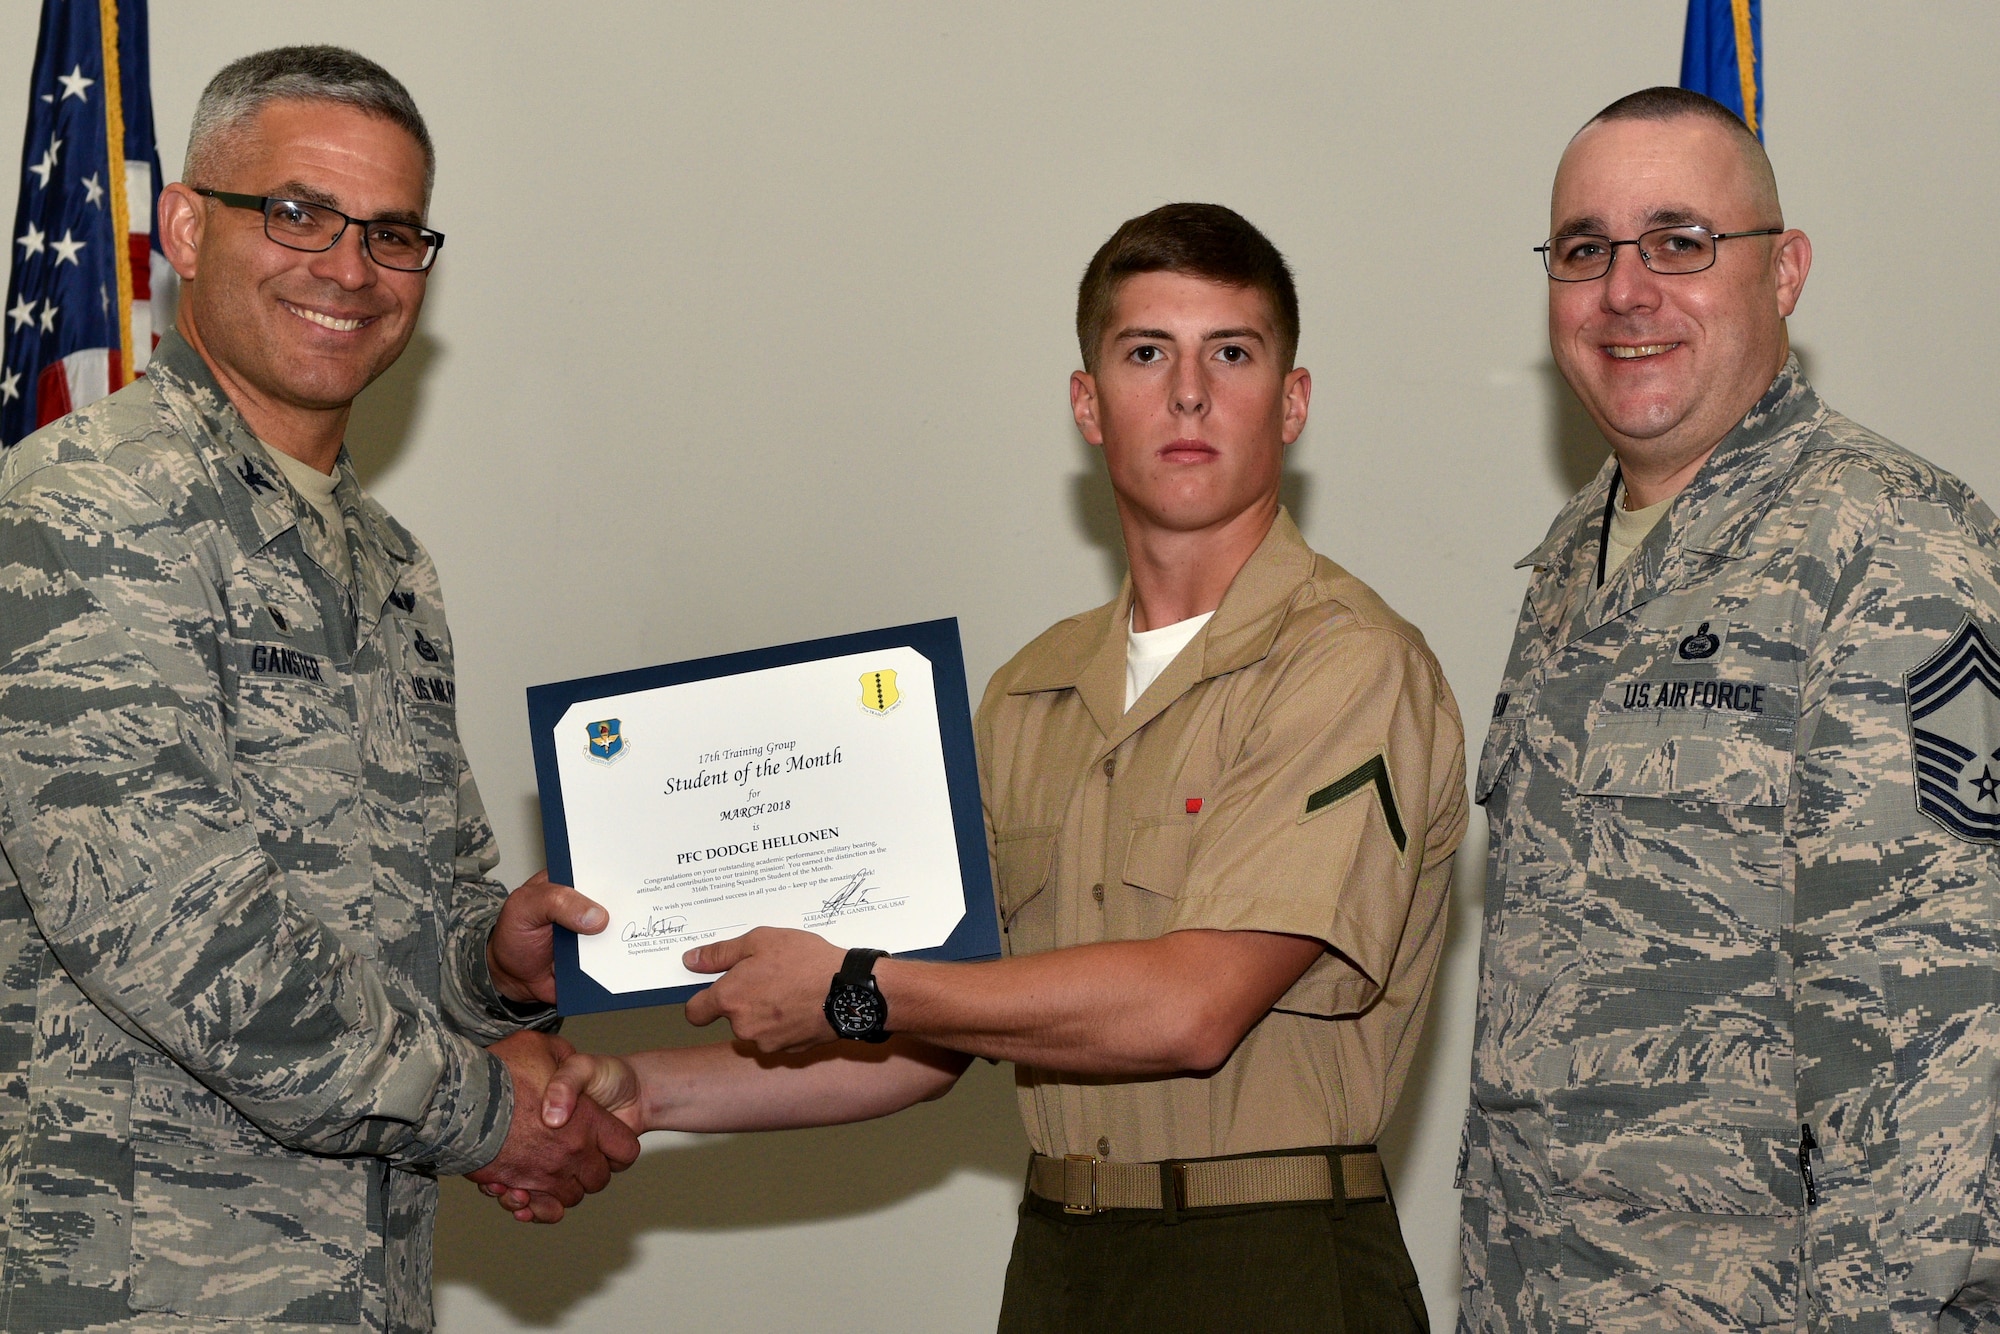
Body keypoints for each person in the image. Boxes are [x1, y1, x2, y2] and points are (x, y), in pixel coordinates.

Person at [499, 203, 1468, 1332]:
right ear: (1087, 403)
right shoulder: (1029, 693)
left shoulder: (1346, 664)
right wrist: (638, 1088)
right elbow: (925, 1044)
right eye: (1145, 352)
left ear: (1290, 402)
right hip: (1063, 1260)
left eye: (1232, 353)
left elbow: (1193, 1006)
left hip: (1274, 1263)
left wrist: (858, 980)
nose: (1189, 393)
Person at [0, 46, 636, 1332]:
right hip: (135, 1286)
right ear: (184, 227)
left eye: (392, 233)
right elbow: (179, 931)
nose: (347, 267)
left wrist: (497, 964)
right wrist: (494, 1115)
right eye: (295, 212)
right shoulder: (88, 511)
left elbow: (408, 912)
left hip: (357, 1282)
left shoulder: (388, 563)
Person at [1459, 86, 2000, 1331]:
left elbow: (1937, 1040)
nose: (1624, 290)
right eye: (1583, 249)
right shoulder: (1570, 564)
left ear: (1784, 269)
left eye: (1679, 240)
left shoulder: (1890, 549)